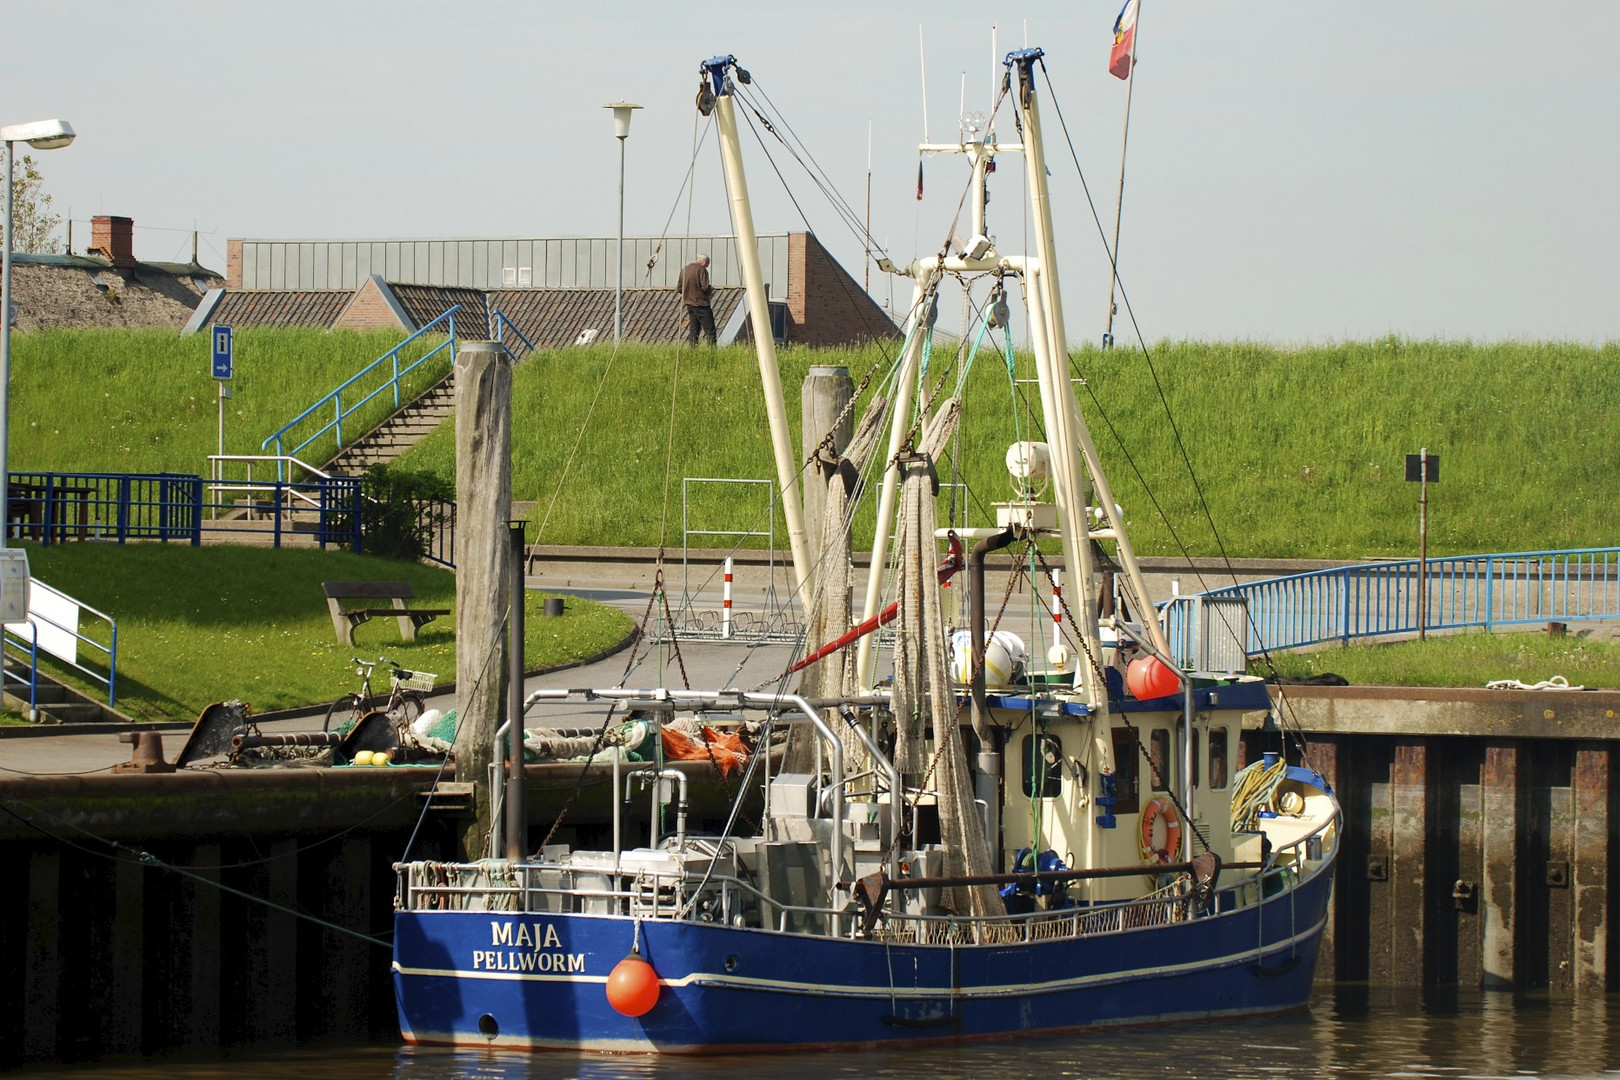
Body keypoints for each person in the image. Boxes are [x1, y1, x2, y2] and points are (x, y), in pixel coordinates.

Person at [677, 254, 716, 345]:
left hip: (689, 304)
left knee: (694, 329)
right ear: (704, 261)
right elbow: (705, 287)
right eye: (707, 264)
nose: (707, 266)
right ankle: (712, 352)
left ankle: (693, 350)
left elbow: (679, 288)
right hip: (701, 304)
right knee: (710, 330)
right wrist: (710, 291)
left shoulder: (685, 269)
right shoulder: (702, 270)